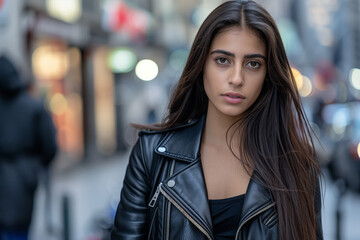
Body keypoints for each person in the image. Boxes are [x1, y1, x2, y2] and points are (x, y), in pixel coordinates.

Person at [111, 1, 323, 239]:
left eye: (253, 64)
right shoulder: (153, 155)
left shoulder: (297, 166)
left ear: (268, 75)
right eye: (223, 60)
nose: (236, 78)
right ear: (201, 64)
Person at [0, 55, 57, 240]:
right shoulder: (34, 107)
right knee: (18, 233)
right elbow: (50, 147)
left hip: (20, 176)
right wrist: (34, 167)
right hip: (24, 179)